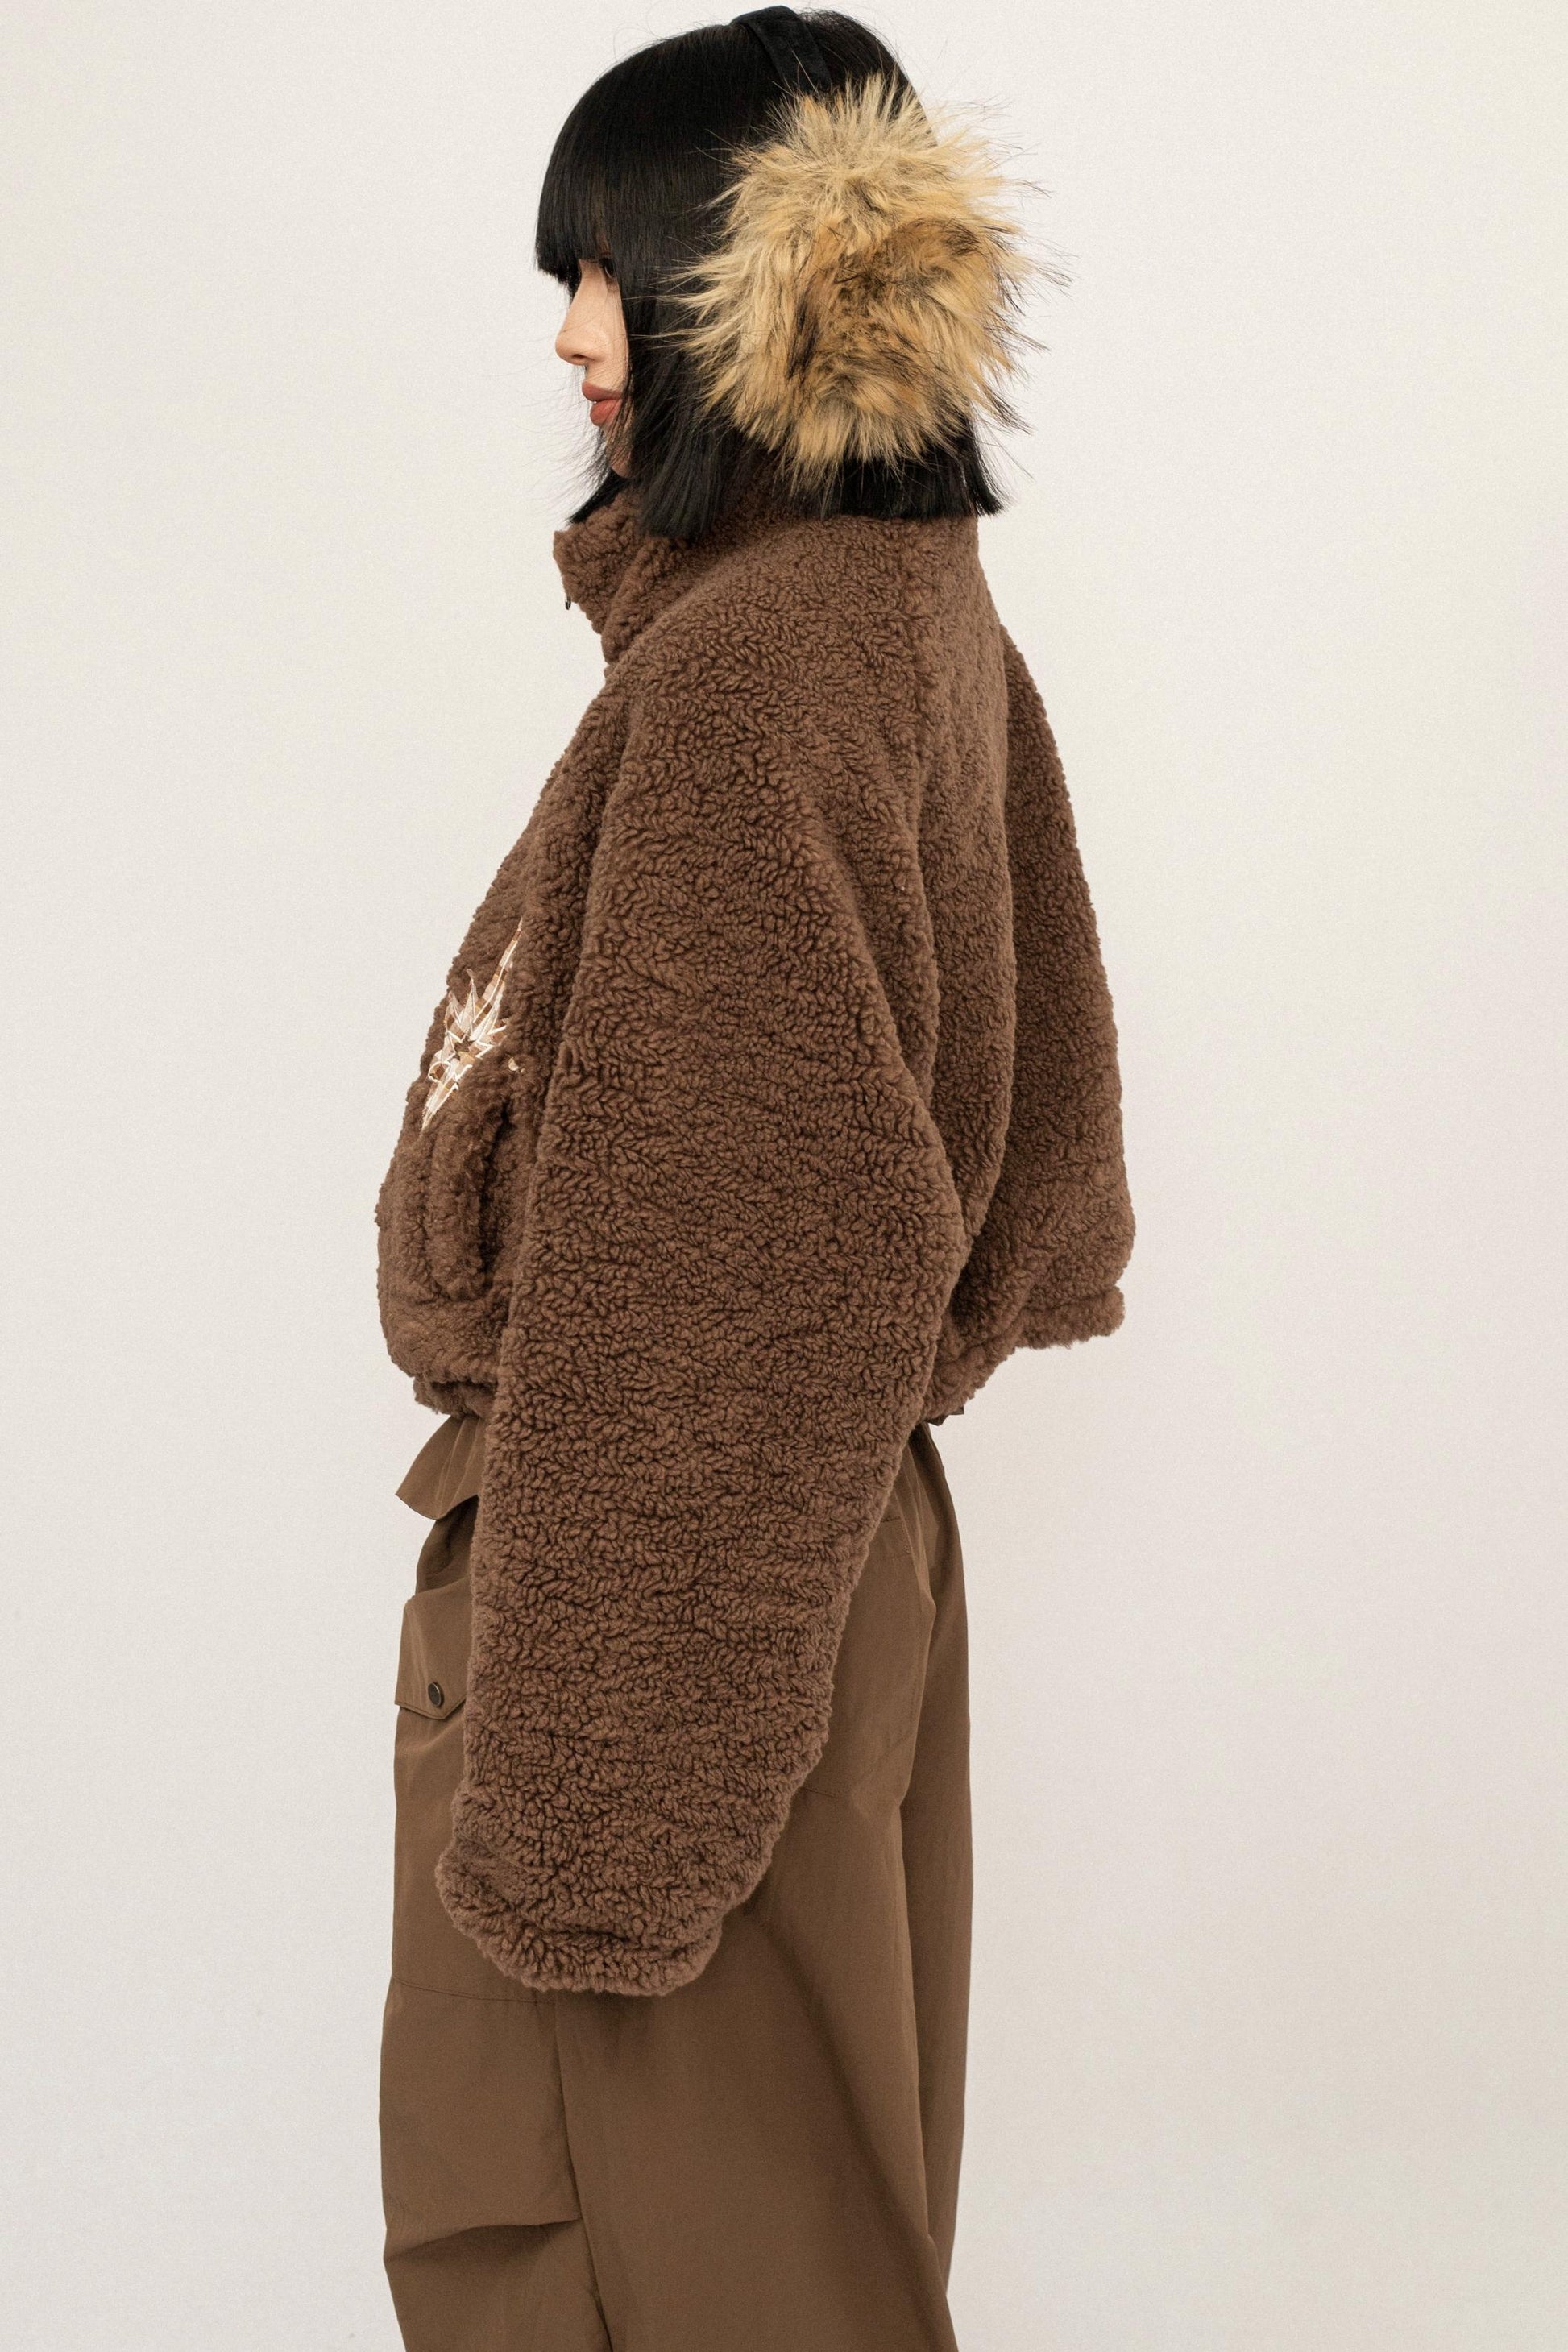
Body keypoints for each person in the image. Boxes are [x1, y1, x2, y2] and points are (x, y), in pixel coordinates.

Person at [373, 10, 1134, 2346]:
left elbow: (728, 1258)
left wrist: (596, 1805)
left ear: (753, 285)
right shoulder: (910, 613)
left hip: (668, 1585)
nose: (573, 337)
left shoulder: (742, 678)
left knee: (621, 2259)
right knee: (806, 2240)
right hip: (819, 1550)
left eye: (607, 270)